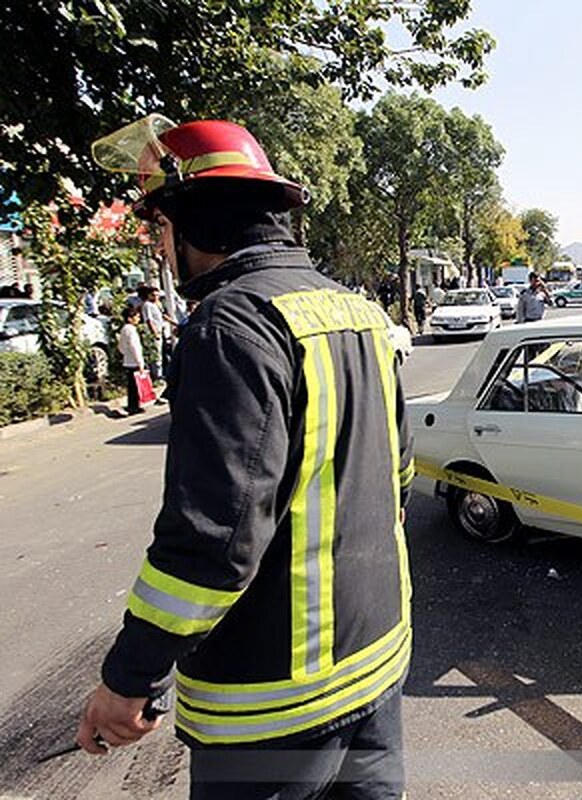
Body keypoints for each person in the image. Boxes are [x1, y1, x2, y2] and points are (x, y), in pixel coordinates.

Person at [80, 117, 414, 799]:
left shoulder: (229, 325)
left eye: (159, 230)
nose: (159, 248)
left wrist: (128, 678)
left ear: (191, 222)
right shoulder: (359, 314)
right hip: (376, 667)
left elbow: (214, 542)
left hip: (274, 704)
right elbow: (397, 474)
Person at [117, 305, 145, 416]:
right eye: (136, 317)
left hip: (127, 360)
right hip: (134, 361)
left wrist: (125, 354)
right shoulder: (131, 330)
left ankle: (132, 405)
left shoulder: (124, 329)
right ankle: (134, 407)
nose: (138, 319)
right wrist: (140, 362)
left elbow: (121, 347)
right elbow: (135, 347)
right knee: (135, 386)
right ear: (129, 318)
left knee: (131, 386)